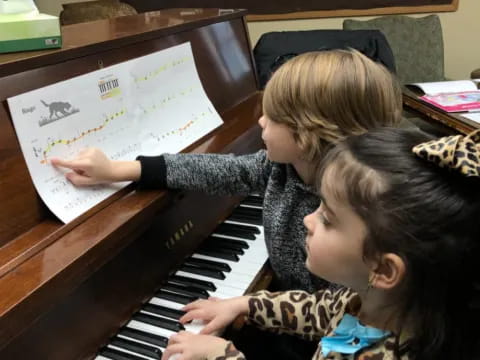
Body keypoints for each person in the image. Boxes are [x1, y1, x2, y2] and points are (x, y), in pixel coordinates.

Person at [51, 49, 402, 294]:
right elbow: (221, 170)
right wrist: (121, 169)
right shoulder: (282, 166)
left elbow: (335, 311)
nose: (260, 120)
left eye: (272, 116)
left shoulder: (355, 214)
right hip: (284, 308)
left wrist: (248, 307)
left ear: (310, 134)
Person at [161, 128, 480, 360]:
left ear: (383, 268)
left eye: (327, 218)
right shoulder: (381, 302)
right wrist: (246, 304)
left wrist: (223, 353)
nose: (307, 220)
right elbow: (321, 309)